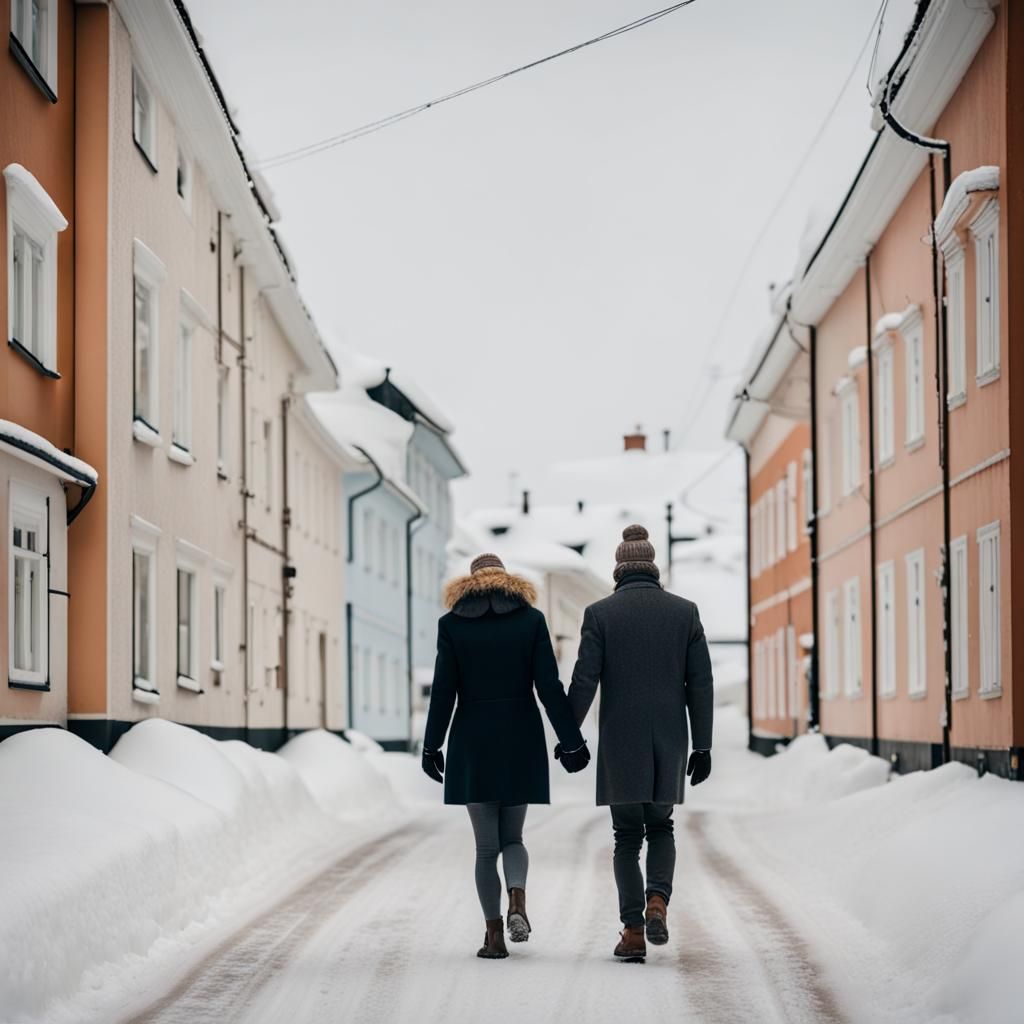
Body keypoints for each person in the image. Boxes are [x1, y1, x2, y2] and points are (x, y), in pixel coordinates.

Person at [421, 553, 590, 960]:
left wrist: (431, 745)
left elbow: (443, 691)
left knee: (485, 848)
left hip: (472, 739)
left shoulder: (452, 625)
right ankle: (518, 900)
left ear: (472, 581)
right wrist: (572, 741)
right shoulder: (530, 620)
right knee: (513, 837)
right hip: (520, 735)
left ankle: (494, 936)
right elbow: (550, 686)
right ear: (508, 580)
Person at [566, 525, 713, 961]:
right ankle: (657, 901)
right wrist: (701, 746)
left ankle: (632, 932)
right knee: (662, 827)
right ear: (653, 567)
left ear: (618, 569)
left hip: (620, 743)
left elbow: (584, 681)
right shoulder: (684, 612)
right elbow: (701, 684)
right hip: (669, 739)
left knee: (626, 837)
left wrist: (569, 738)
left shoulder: (599, 614)